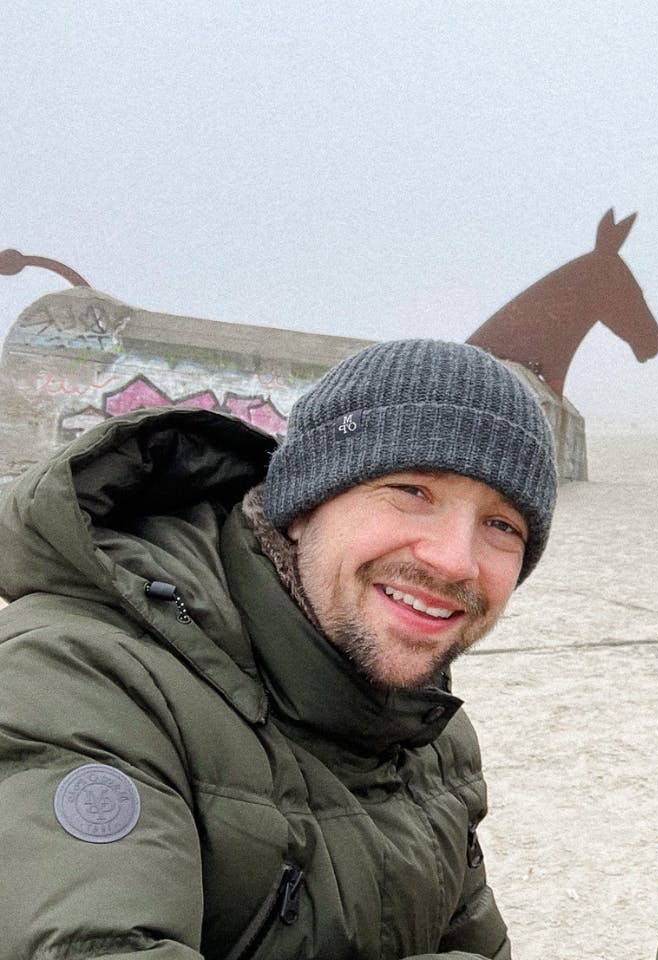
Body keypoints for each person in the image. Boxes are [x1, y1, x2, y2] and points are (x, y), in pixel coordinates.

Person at [0, 339, 556, 959]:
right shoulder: (78, 681)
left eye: (503, 526)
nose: (455, 560)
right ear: (301, 506)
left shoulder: (432, 734)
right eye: (412, 490)